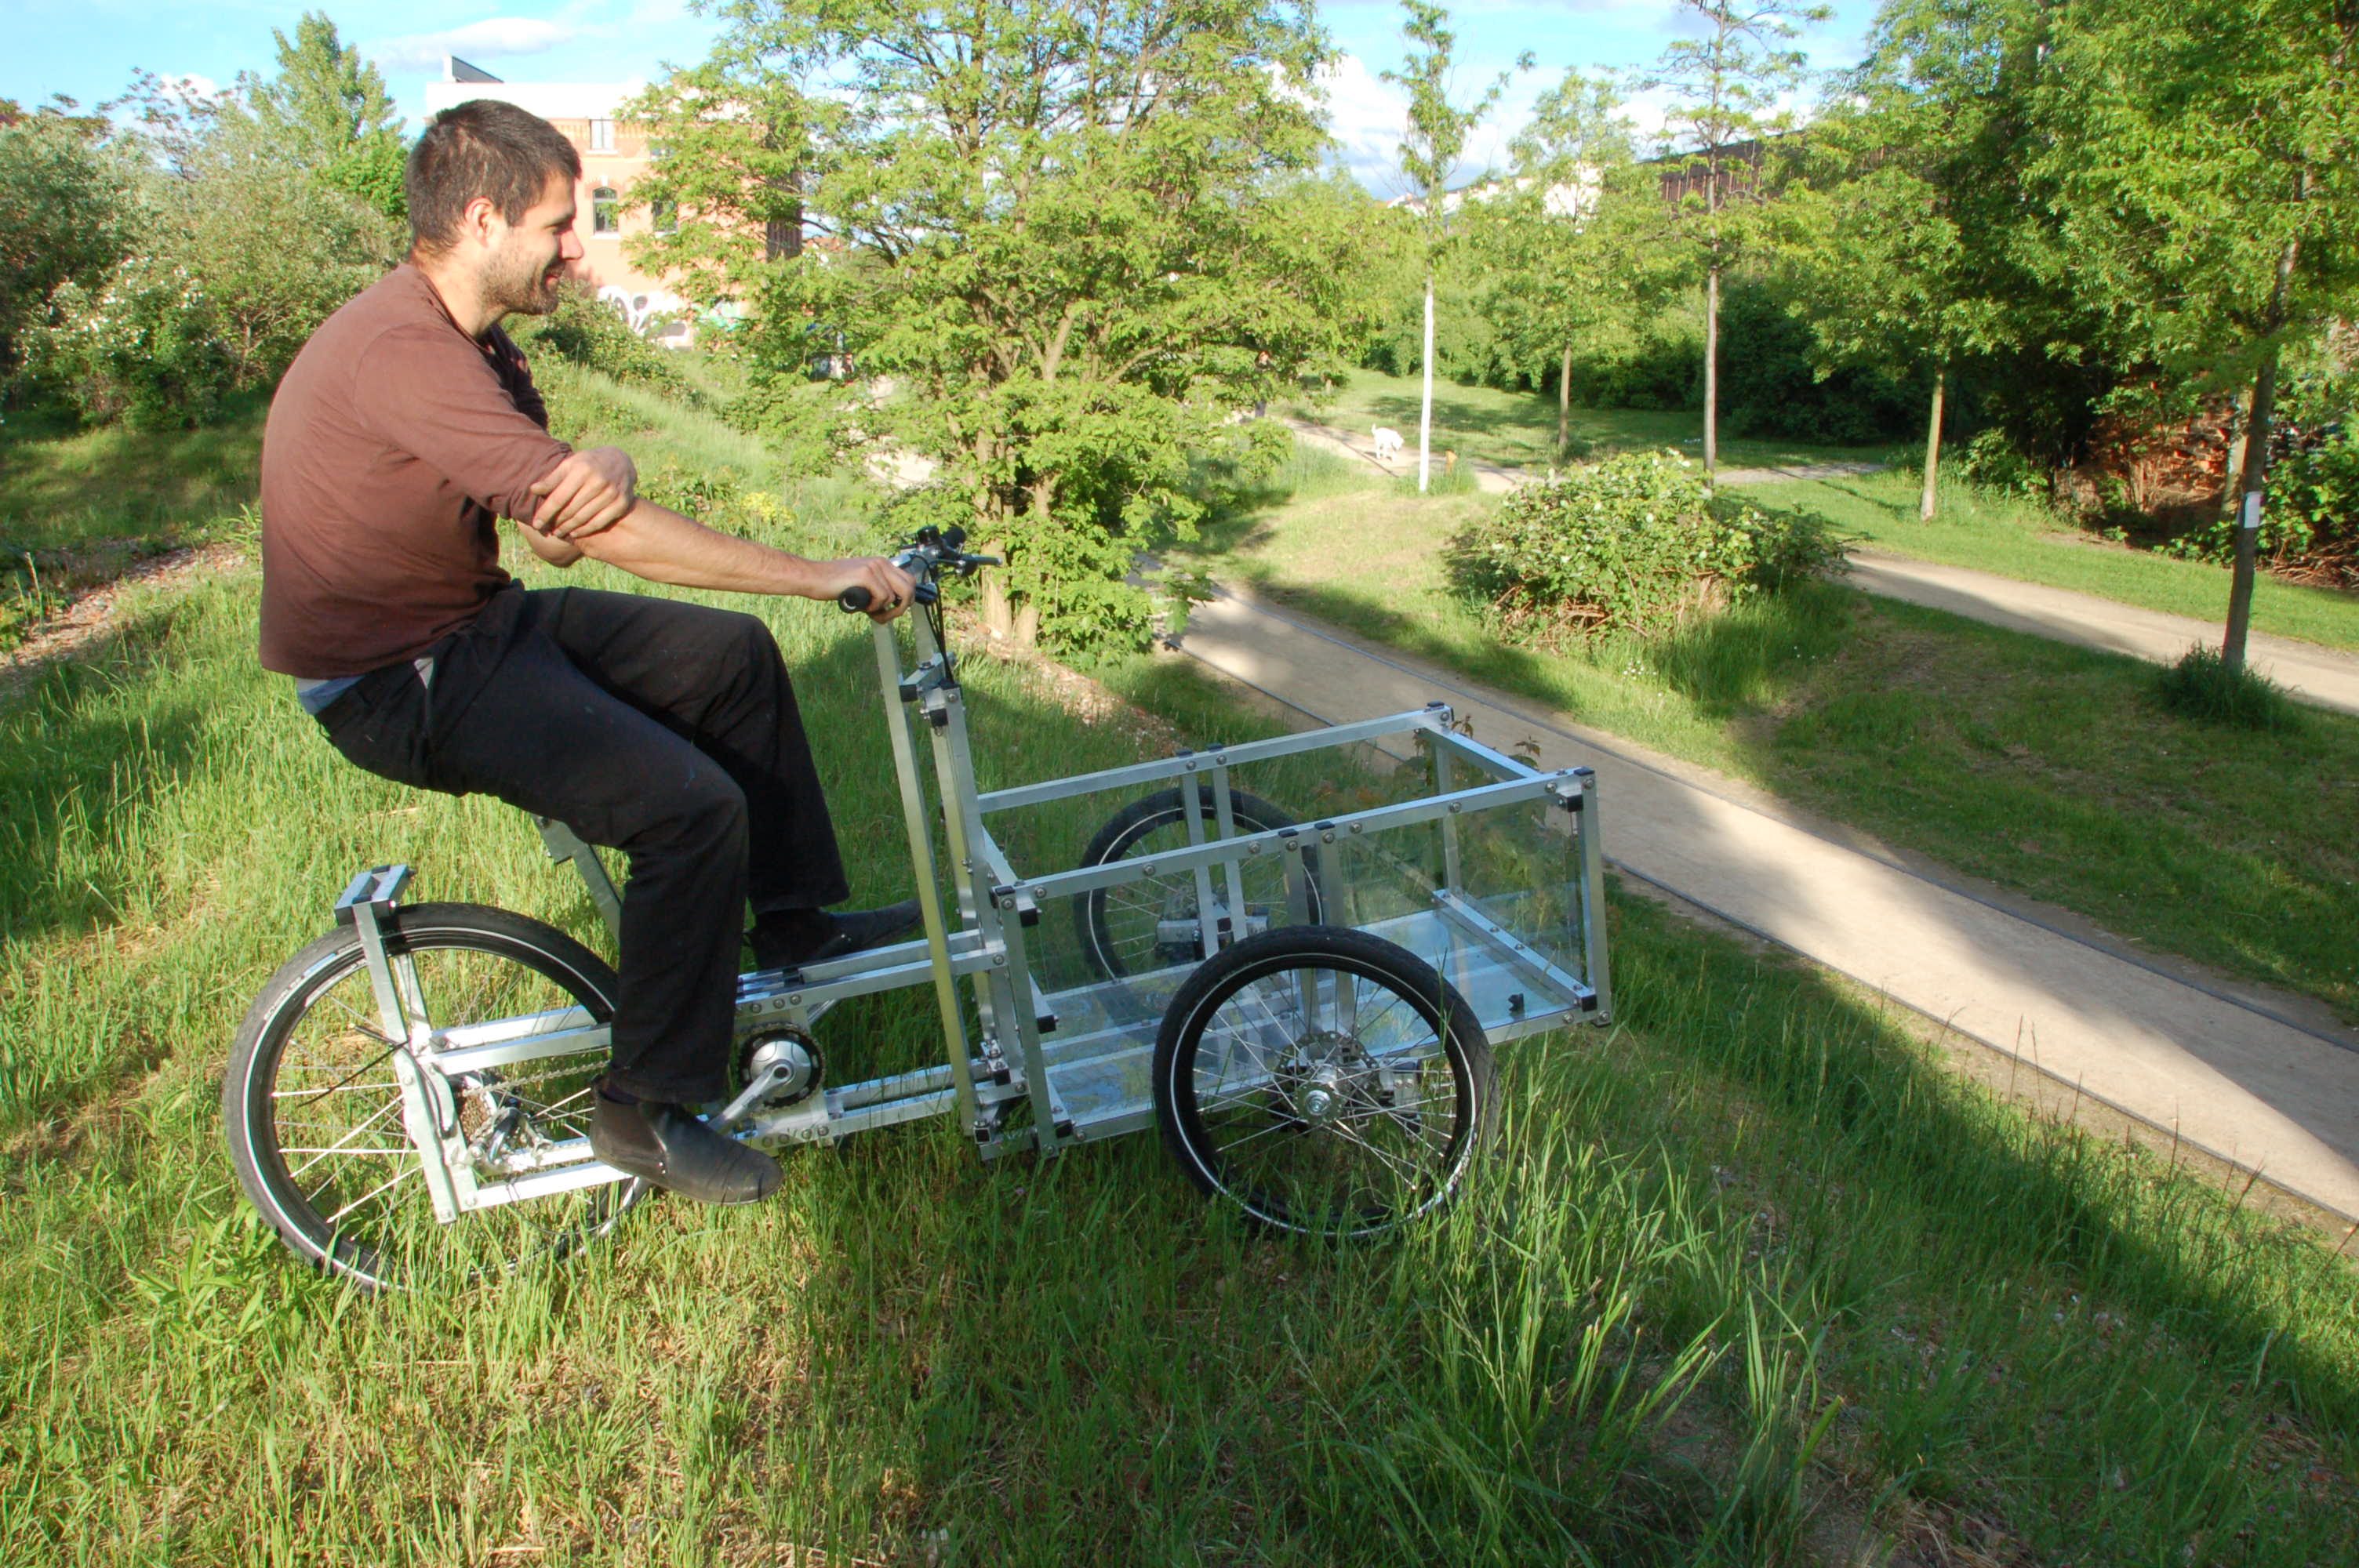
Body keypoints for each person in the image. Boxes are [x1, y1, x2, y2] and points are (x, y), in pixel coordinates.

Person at [258, 100, 921, 1207]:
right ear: (483, 220)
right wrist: (819, 573)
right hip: (398, 680)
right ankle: (645, 1110)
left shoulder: (478, 346)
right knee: (688, 812)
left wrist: (603, 459)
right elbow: (606, 539)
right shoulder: (401, 350)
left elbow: (553, 535)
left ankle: (794, 924)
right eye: (560, 225)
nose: (575, 248)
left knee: (732, 658)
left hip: (473, 626)